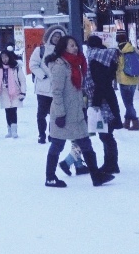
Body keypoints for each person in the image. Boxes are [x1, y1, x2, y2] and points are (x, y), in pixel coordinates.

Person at [42, 34, 108, 188]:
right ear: (64, 48)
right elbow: (56, 92)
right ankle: (50, 177)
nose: (75, 47)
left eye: (75, 45)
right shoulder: (60, 66)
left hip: (76, 113)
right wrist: (59, 114)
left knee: (86, 143)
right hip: (63, 114)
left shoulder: (74, 64)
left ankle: (96, 176)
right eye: (71, 45)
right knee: (57, 145)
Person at [82, 35, 121, 177]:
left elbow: (100, 82)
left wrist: (96, 103)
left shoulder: (95, 59)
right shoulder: (108, 57)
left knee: (105, 135)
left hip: (102, 101)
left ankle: (111, 164)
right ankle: (111, 163)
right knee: (107, 134)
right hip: (109, 98)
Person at [114, 31, 139, 131]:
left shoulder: (119, 50)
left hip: (124, 79)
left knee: (128, 104)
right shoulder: (133, 48)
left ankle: (136, 123)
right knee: (129, 101)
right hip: (134, 78)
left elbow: (118, 65)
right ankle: (127, 122)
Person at [0, 50, 25, 139]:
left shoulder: (16, 67)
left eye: (6, 57)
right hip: (4, 91)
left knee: (13, 110)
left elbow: (22, 80)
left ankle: (14, 130)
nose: (4, 59)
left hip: (15, 91)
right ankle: (9, 129)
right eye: (3, 57)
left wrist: (23, 92)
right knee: (7, 110)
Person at [30, 35, 56, 145]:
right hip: (42, 89)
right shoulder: (41, 50)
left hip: (57, 88)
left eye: (59, 36)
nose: (57, 38)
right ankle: (41, 134)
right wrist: (42, 76)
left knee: (54, 114)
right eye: (55, 36)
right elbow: (33, 65)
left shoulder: (63, 50)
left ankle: (52, 134)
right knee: (41, 114)